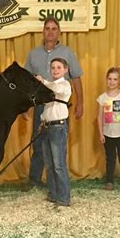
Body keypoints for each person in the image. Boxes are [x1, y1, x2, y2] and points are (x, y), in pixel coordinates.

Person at [24, 17, 83, 188]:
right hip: (40, 105)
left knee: (58, 143)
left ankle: (58, 182)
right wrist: (25, 108)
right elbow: (26, 81)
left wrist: (80, 103)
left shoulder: (67, 52)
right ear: (43, 31)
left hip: (59, 106)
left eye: (54, 28)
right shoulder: (33, 54)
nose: (50, 31)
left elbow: (77, 78)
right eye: (47, 28)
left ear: (59, 32)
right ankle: (34, 179)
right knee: (38, 142)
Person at [37, 58, 72, 206]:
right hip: (47, 126)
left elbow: (56, 90)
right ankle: (53, 194)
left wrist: (43, 81)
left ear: (65, 70)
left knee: (59, 165)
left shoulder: (64, 84)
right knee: (49, 165)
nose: (55, 70)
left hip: (58, 127)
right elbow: (46, 107)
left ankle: (64, 198)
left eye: (59, 67)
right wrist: (42, 121)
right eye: (53, 68)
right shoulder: (49, 86)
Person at [97, 67, 120, 191]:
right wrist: (101, 133)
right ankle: (109, 181)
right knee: (110, 159)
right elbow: (100, 116)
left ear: (119, 81)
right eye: (110, 79)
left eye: (115, 79)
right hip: (108, 134)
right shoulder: (102, 98)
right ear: (107, 80)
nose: (112, 82)